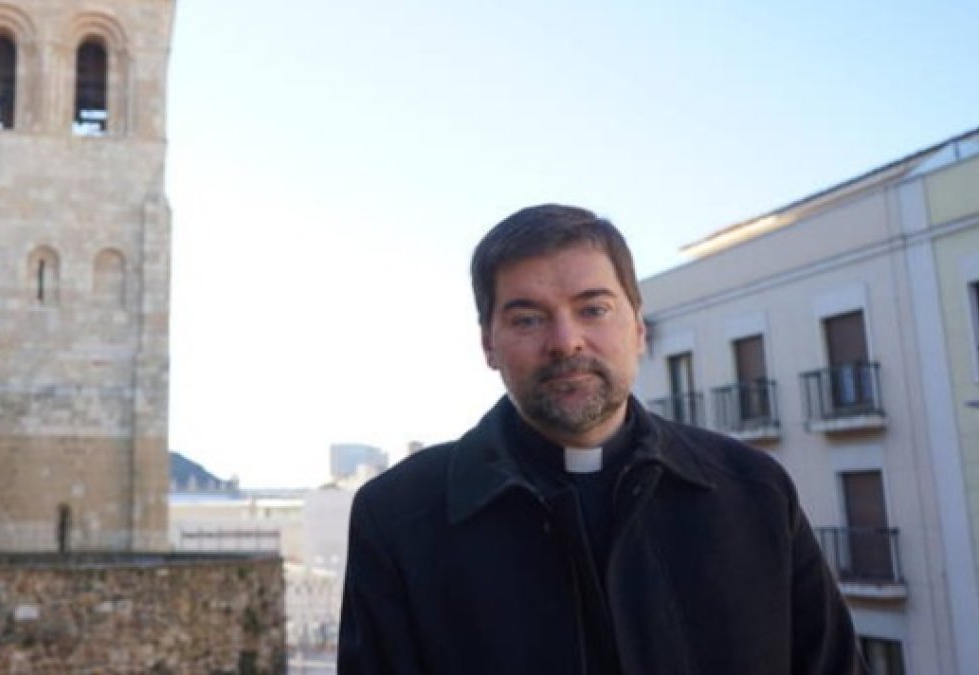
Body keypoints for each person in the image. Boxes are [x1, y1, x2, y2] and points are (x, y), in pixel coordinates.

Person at [337, 204, 862, 674]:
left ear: (638, 326)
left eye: (593, 309)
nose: (565, 341)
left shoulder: (754, 492)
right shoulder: (398, 519)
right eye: (527, 318)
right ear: (488, 344)